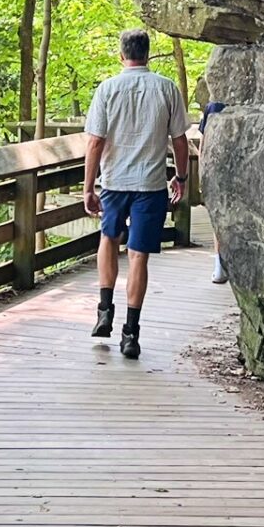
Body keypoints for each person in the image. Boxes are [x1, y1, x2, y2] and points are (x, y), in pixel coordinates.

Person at [82, 27, 190, 359]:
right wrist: (181, 178)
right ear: (147, 53)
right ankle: (131, 333)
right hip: (150, 184)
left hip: (114, 181)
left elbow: (95, 142)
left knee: (108, 239)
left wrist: (88, 186)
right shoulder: (167, 88)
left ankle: (104, 310)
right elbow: (180, 141)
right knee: (138, 256)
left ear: (121, 55)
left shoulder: (107, 90)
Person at [197, 100, 226, 283]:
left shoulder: (213, 106)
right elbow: (202, 143)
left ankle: (220, 265)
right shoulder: (213, 107)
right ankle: (220, 265)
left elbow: (202, 144)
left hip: (218, 168)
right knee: (219, 219)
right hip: (220, 167)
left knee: (219, 219)